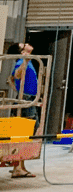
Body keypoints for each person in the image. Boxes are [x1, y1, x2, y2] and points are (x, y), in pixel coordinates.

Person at [6, 42, 37, 178]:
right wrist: (25, 60)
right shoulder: (22, 61)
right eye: (24, 44)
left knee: (25, 132)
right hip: (27, 98)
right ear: (22, 51)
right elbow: (17, 76)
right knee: (25, 133)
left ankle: (18, 166)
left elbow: (10, 79)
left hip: (28, 97)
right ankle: (19, 167)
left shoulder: (24, 61)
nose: (28, 44)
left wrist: (18, 91)